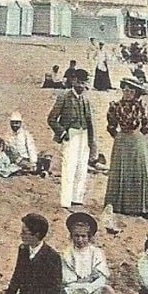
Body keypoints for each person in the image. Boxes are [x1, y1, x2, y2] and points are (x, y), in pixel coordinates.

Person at [0, 213, 94, 294]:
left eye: (25, 232)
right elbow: (17, 276)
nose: (21, 235)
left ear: (36, 235)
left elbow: (53, 290)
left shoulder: (52, 257)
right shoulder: (23, 249)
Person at [61, 212, 144, 294]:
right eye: (76, 236)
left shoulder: (97, 253)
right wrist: (89, 280)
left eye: (84, 236)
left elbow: (101, 277)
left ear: (90, 236)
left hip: (95, 293)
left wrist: (87, 283)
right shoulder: (67, 255)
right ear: (71, 236)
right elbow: (69, 281)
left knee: (107, 289)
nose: (80, 240)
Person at [103, 77, 148, 218]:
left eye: (131, 90)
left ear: (136, 92)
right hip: (121, 141)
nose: (127, 92)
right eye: (125, 89)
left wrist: (137, 136)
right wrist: (120, 137)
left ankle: (140, 207)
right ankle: (119, 206)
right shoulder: (115, 106)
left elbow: (146, 124)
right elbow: (111, 125)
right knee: (121, 171)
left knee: (138, 171)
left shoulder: (141, 106)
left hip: (136, 140)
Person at [47, 69, 98, 209]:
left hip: (84, 135)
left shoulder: (85, 100)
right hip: (70, 134)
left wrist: (91, 141)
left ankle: (77, 199)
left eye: (84, 83)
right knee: (69, 167)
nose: (81, 86)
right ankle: (66, 200)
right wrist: (63, 133)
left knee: (82, 168)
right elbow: (51, 119)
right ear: (73, 81)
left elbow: (90, 123)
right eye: (79, 82)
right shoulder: (64, 97)